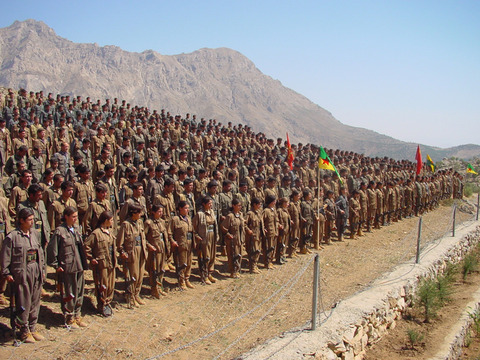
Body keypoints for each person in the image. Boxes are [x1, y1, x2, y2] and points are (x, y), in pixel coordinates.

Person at [0, 208, 44, 343]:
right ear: (21, 220)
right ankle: (23, 330)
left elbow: (40, 252)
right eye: (30, 220)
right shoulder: (12, 237)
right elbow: (5, 257)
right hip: (21, 273)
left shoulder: (35, 234)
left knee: (35, 301)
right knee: (23, 302)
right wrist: (6, 273)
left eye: (33, 219)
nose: (32, 222)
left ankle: (32, 327)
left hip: (35, 271)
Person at [48, 206, 88, 329]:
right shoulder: (59, 231)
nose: (76, 219)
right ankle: (69, 316)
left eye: (76, 216)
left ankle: (77, 314)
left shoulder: (76, 229)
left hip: (79, 264)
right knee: (69, 292)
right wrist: (56, 265)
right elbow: (52, 250)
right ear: (66, 217)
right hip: (67, 266)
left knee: (79, 290)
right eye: (73, 216)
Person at [84, 210, 116, 316]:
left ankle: (108, 303)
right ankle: (101, 305)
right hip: (101, 264)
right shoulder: (96, 233)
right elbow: (86, 247)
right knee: (103, 285)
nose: (112, 222)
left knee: (111, 285)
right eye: (111, 220)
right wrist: (91, 258)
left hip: (111, 262)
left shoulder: (109, 231)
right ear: (106, 220)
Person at [116, 202, 147, 308]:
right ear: (133, 213)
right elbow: (119, 242)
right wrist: (122, 252)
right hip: (131, 253)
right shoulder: (126, 225)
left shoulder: (140, 223)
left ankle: (137, 294)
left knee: (140, 275)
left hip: (141, 251)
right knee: (133, 276)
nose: (141, 215)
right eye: (139, 213)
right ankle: (130, 297)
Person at [168, 201, 194, 290]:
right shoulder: (175, 219)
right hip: (180, 245)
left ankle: (187, 279)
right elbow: (169, 233)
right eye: (185, 208)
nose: (187, 210)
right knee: (181, 263)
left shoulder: (189, 218)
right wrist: (172, 241)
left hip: (189, 244)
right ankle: (181, 281)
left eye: (188, 208)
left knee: (189, 263)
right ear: (180, 209)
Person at [192, 196, 218, 284]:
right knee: (205, 256)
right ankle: (204, 275)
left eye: (211, 203)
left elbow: (215, 224)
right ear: (204, 204)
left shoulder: (211, 212)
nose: (211, 205)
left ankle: (210, 273)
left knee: (212, 255)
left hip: (212, 236)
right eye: (209, 203)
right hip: (204, 238)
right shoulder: (199, 214)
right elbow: (193, 227)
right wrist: (196, 235)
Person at [144, 204, 169, 297]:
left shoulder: (162, 222)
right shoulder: (148, 223)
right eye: (159, 211)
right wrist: (149, 246)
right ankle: (154, 288)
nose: (161, 213)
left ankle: (160, 286)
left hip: (162, 248)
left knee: (161, 269)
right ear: (153, 212)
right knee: (154, 269)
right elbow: (144, 238)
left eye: (162, 211)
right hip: (154, 250)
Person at [221, 198, 245, 278]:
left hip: (240, 239)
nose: (240, 207)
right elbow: (223, 227)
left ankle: (237, 270)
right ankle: (233, 271)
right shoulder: (230, 216)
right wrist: (228, 234)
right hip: (233, 240)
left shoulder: (240, 214)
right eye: (238, 205)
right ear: (233, 206)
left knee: (239, 255)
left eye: (240, 205)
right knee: (233, 256)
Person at [245, 197, 264, 273]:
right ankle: (252, 267)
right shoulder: (249, 214)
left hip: (259, 235)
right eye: (259, 204)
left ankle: (255, 265)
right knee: (253, 251)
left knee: (258, 251)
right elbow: (244, 224)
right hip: (252, 236)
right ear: (254, 204)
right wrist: (248, 230)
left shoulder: (259, 212)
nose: (260, 206)